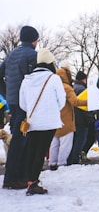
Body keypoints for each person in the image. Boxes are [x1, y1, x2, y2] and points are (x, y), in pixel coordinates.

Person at [19, 49, 65, 195]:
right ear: (50, 63)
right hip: (49, 122)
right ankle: (33, 183)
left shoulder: (26, 80)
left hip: (33, 122)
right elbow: (61, 101)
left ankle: (31, 181)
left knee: (33, 151)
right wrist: (51, 110)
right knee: (40, 152)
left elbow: (22, 104)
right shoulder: (54, 78)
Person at [1, 25, 39, 190]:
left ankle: (16, 176)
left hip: (13, 101)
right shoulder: (33, 55)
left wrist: (7, 92)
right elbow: (36, 79)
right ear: (34, 40)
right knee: (21, 138)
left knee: (19, 135)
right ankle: (15, 177)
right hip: (26, 101)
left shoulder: (11, 54)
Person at [49, 66, 87, 170]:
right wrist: (89, 102)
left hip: (55, 119)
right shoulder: (67, 88)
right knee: (65, 144)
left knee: (54, 143)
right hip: (66, 120)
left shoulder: (52, 87)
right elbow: (75, 102)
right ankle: (62, 164)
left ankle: (52, 163)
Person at [68, 70, 94, 165]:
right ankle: (74, 160)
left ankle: (71, 158)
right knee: (81, 140)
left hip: (72, 118)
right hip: (82, 120)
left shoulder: (72, 88)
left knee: (74, 140)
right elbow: (84, 107)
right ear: (84, 80)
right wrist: (90, 119)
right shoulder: (83, 90)